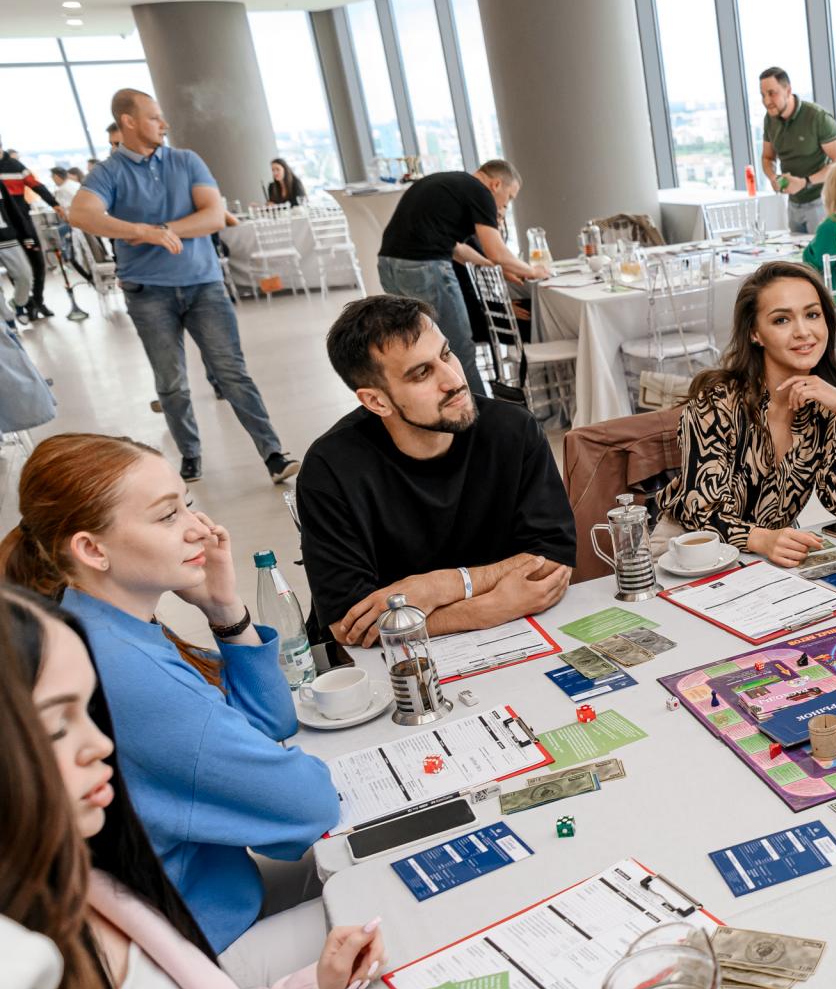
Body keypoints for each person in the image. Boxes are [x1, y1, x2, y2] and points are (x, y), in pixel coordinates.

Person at [0, 590, 420, 989]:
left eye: (89, 712)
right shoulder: (21, 984)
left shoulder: (84, 885)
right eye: (59, 726)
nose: (101, 744)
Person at [1, 434, 340, 983]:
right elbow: (310, 805)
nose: (199, 527)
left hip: (206, 902)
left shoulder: (97, 621)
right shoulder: (124, 666)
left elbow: (271, 724)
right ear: (92, 550)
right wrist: (284, 769)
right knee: (393, 895)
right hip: (194, 955)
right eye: (166, 516)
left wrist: (224, 609)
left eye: (187, 503)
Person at [302, 294, 576, 645]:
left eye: (446, 354)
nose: (454, 380)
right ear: (376, 401)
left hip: (518, 640)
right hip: (390, 664)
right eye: (422, 373)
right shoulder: (330, 469)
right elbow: (347, 624)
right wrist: (483, 610)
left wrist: (442, 585)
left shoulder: (513, 430)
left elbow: (552, 559)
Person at [67, 89, 299, 486]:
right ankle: (190, 455)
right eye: (154, 117)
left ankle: (273, 454)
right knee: (171, 383)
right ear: (129, 122)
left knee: (232, 373)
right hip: (148, 292)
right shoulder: (109, 172)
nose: (164, 124)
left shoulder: (186, 160)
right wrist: (140, 231)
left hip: (204, 286)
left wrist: (160, 230)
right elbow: (81, 213)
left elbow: (213, 216)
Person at [659, 261, 836, 567]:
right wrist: (761, 539)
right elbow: (700, 512)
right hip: (687, 547)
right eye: (782, 320)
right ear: (755, 333)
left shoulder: (826, 404)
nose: (803, 332)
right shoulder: (717, 402)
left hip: (768, 553)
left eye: (812, 315)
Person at [375, 158, 548, 399]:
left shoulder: (449, 184)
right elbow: (496, 251)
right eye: (509, 198)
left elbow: (457, 248)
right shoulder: (481, 192)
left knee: (421, 347)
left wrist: (496, 267)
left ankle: (435, 407)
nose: (505, 206)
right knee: (458, 349)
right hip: (425, 268)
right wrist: (532, 271)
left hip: (389, 266)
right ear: (496, 184)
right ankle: (477, 414)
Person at [758, 66, 836, 235]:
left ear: (788, 90)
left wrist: (805, 182)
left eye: (772, 93)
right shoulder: (770, 119)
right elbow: (767, 157)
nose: (767, 101)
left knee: (821, 252)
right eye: (763, 95)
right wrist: (773, 177)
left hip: (822, 201)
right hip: (793, 204)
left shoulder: (817, 117)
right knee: (796, 253)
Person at [0, 147, 58, 321]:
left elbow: (36, 185)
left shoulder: (16, 166)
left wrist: (55, 204)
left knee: (37, 263)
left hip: (23, 226)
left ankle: (37, 301)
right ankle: (26, 305)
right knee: (15, 270)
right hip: (6, 231)